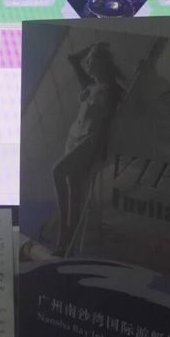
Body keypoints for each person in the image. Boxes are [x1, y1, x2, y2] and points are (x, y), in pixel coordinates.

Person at [52, 42, 125, 256]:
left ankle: (63, 236)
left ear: (102, 62)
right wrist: (94, 46)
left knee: (58, 171)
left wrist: (98, 49)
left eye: (92, 59)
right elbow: (73, 60)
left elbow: (126, 108)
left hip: (90, 141)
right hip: (73, 140)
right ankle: (67, 245)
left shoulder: (113, 89)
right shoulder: (89, 86)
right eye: (89, 58)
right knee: (74, 192)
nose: (88, 62)